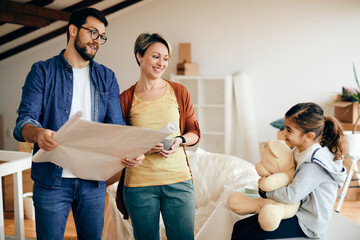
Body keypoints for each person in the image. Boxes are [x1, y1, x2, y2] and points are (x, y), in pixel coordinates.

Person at [13, 8, 144, 240]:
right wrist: (37, 133)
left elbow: (116, 127)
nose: (97, 41)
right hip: (51, 181)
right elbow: (24, 121)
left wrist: (130, 151)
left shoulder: (107, 77)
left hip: (92, 183)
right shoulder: (42, 71)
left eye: (101, 36)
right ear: (73, 30)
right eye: (93, 32)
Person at [115, 33, 201, 240]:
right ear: (139, 56)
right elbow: (118, 142)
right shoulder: (126, 98)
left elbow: (194, 132)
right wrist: (141, 148)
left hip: (179, 181)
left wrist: (179, 141)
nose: (161, 63)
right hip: (139, 186)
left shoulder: (179, 91)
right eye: (155, 56)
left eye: (165, 58)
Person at [231, 102, 347, 240]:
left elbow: (292, 195)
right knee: (239, 226)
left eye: (289, 130)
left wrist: (266, 192)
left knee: (247, 235)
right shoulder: (299, 150)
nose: (283, 133)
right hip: (294, 210)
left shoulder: (313, 165)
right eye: (284, 128)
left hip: (307, 222)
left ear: (308, 136)